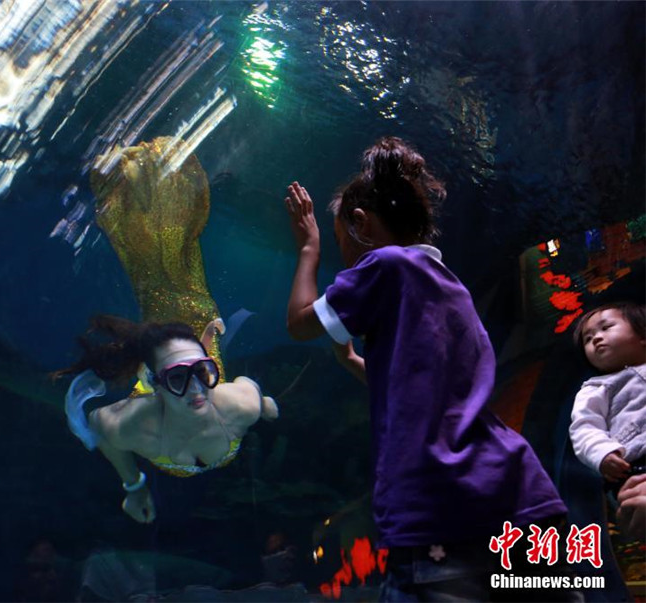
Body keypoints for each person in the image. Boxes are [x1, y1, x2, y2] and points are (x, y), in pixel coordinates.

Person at [282, 136, 575, 601]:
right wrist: (357, 361)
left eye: (342, 242)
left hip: (438, 503)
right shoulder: (450, 289)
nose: (345, 259)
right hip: (518, 492)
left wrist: (309, 248)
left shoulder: (385, 263)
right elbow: (423, 385)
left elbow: (299, 323)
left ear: (360, 223)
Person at [54, 315, 278, 523]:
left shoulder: (243, 405)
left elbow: (249, 385)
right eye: (177, 377)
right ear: (155, 384)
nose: (196, 390)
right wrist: (134, 486)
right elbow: (97, 425)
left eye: (201, 371)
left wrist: (265, 405)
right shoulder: (131, 427)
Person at [569, 302, 645, 487]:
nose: (596, 338)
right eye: (588, 338)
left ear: (643, 334)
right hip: (635, 465)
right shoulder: (595, 388)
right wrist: (602, 453)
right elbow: (584, 428)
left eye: (606, 328)